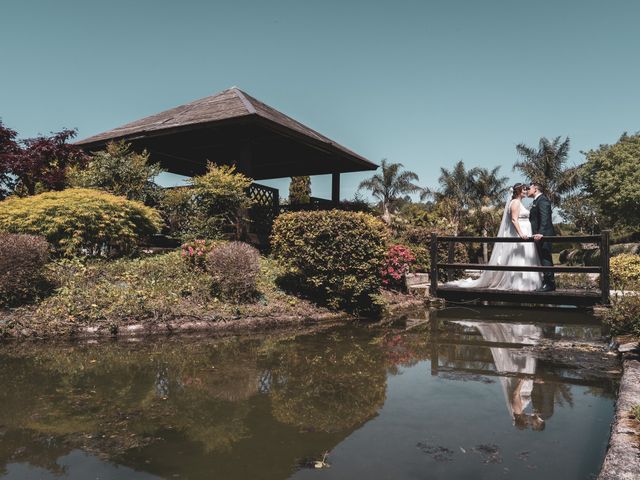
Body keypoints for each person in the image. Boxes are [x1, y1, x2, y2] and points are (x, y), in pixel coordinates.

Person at [446, 183, 542, 291]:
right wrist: (521, 234)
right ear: (518, 191)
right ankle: (518, 283)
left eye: (526, 189)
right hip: (521, 233)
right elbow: (514, 220)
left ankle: (527, 282)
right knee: (518, 258)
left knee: (524, 257)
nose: (526, 191)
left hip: (526, 231)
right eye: (524, 190)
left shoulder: (519, 202)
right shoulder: (515, 202)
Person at [527, 182, 556, 292]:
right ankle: (547, 281)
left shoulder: (542, 200)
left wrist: (541, 232)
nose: (527, 190)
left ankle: (550, 284)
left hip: (544, 234)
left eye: (529, 188)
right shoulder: (537, 201)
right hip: (539, 234)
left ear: (535, 189)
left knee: (545, 257)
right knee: (543, 258)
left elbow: (545, 218)